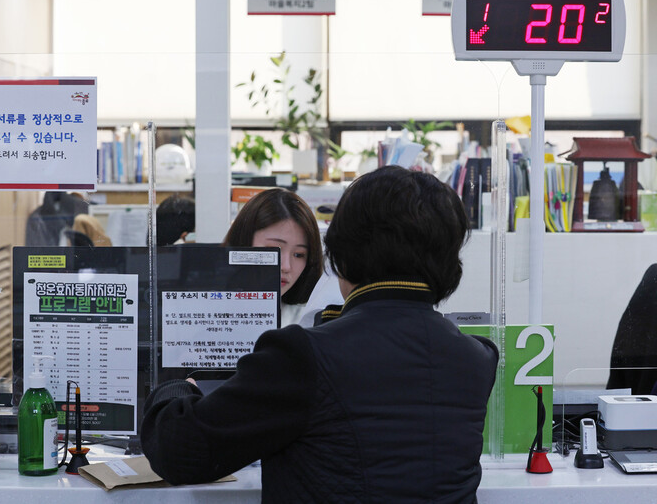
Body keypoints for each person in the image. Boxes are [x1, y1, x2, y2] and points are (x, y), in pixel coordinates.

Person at [141, 166, 499, 503]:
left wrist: (177, 385)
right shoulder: (477, 358)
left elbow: (178, 451)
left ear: (342, 253)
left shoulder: (304, 356)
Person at [222, 188, 323, 326]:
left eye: (299, 255)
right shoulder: (202, 311)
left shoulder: (310, 322)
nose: (286, 267)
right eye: (273, 250)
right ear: (243, 242)